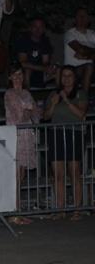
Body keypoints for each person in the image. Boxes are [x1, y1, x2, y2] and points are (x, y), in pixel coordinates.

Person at [43, 65, 87, 218]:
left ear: (75, 78)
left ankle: (77, 210)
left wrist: (67, 100)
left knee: (74, 172)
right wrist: (54, 103)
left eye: (70, 76)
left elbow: (81, 114)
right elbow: (46, 116)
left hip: (74, 133)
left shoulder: (80, 94)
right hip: (56, 133)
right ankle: (60, 210)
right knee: (58, 174)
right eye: (64, 76)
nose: (66, 79)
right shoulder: (53, 94)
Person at [4, 64, 40, 225]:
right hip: (15, 135)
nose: (18, 77)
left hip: (27, 135)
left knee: (22, 175)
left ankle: (17, 210)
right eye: (14, 75)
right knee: (16, 176)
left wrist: (30, 110)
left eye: (20, 74)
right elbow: (19, 115)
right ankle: (13, 212)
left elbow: (37, 113)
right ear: (10, 77)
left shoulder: (26, 92)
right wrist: (29, 109)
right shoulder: (9, 93)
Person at [15, 18, 57, 89]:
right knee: (28, 70)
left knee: (58, 69)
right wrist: (42, 68)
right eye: (35, 26)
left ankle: (58, 93)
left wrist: (50, 67)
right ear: (30, 28)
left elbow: (45, 62)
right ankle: (27, 92)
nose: (38, 29)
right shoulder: (23, 40)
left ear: (43, 29)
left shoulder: (45, 42)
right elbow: (23, 63)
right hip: (24, 70)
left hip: (39, 69)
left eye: (40, 27)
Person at [64, 8, 95, 92]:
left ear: (88, 19)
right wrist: (91, 55)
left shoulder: (92, 34)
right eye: (79, 15)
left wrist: (86, 55)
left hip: (91, 70)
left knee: (89, 66)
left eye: (84, 16)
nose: (82, 18)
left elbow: (82, 52)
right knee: (89, 66)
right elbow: (80, 49)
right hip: (73, 70)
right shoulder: (70, 33)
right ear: (75, 19)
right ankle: (84, 98)